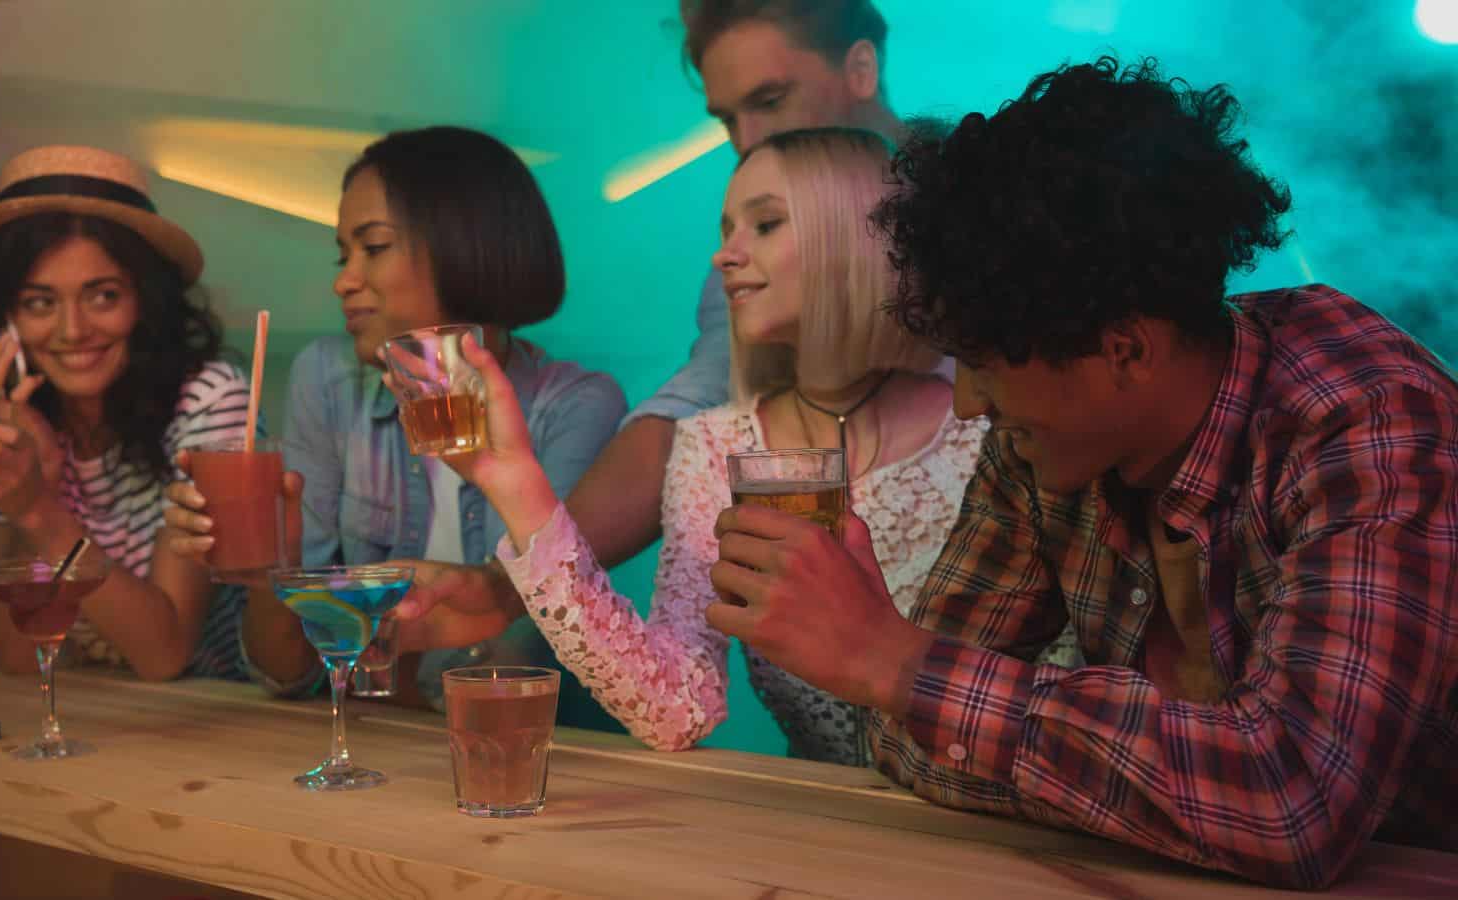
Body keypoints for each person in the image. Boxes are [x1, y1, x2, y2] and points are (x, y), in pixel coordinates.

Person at [707, 57, 1458, 888]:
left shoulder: (1368, 419)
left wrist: (897, 663)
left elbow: (1291, 805)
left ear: (1124, 350)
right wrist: (916, 685)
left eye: (984, 364)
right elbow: (904, 742)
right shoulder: (1047, 442)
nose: (967, 406)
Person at [437, 127, 982, 762]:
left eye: (767, 224)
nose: (725, 255)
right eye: (726, 231)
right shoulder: (713, 444)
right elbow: (676, 709)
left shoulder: (983, 430)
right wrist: (518, 486)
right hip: (825, 830)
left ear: (859, 238)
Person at [393, 0, 909, 646]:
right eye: (726, 118)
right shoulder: (724, 399)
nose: (746, 139)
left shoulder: (989, 229)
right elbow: (688, 414)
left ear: (860, 68)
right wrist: (507, 581)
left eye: (770, 99)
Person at [164, 127, 627, 720]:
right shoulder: (327, 380)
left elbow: (524, 650)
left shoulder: (574, 406)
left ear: (467, 244)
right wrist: (272, 572)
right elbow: (287, 674)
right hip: (369, 746)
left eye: (373, 247)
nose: (343, 280)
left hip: (530, 755)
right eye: (342, 254)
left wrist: (358, 629)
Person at [0, 145, 251, 681]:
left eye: (102, 296)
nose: (73, 331)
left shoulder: (208, 399)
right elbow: (17, 656)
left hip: (211, 714)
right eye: (39, 302)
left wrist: (36, 508)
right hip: (88, 715)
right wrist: (18, 477)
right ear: (3, 315)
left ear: (145, 299)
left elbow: (165, 654)